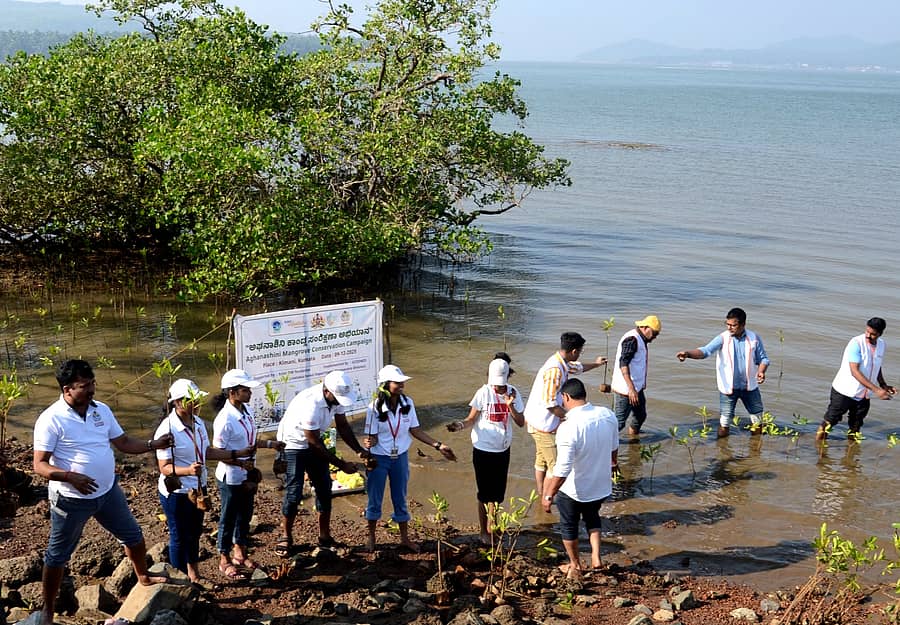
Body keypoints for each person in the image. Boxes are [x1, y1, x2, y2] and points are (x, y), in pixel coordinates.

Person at [32, 359, 173, 625]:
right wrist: (69, 476)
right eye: (84, 386)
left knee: (133, 536)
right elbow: (39, 464)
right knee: (57, 555)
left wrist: (153, 444)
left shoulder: (102, 411)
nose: (91, 390)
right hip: (71, 499)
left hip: (108, 492)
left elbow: (123, 442)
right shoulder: (50, 419)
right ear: (67, 389)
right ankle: (48, 609)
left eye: (92, 383)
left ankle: (142, 576)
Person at [154, 378, 254, 587]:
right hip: (178, 491)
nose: (196, 405)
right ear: (177, 402)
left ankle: (194, 575)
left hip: (198, 487)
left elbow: (207, 451)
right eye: (191, 401)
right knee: (178, 536)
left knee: (194, 533)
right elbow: (164, 467)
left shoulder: (197, 422)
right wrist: (187, 470)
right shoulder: (168, 428)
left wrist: (236, 453)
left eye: (196, 400)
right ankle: (179, 581)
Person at [275, 370, 371, 555]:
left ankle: (324, 536)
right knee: (294, 492)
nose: (340, 402)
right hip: (294, 443)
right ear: (327, 391)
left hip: (314, 441)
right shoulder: (311, 403)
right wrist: (342, 464)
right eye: (337, 398)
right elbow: (313, 442)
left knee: (324, 488)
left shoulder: (335, 399)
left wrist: (359, 451)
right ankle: (286, 536)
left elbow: (342, 425)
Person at [364, 365, 456, 552]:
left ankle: (404, 538)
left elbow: (415, 430)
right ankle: (371, 537)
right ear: (385, 385)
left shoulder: (408, 403)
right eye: (397, 382)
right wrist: (369, 442)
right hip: (379, 458)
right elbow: (371, 437)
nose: (402, 385)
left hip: (400, 458)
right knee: (375, 499)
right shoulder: (374, 408)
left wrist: (438, 446)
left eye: (402, 381)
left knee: (401, 497)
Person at [540, 378, 618, 580]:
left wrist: (548, 494)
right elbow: (614, 447)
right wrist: (613, 465)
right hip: (600, 485)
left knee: (569, 525)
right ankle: (596, 558)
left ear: (565, 397)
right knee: (593, 518)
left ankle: (575, 564)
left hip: (574, 489)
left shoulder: (568, 426)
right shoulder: (607, 415)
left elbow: (563, 468)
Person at [211, 369, 284, 580]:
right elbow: (218, 453)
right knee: (228, 516)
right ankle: (223, 557)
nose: (250, 393)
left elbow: (250, 443)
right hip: (231, 477)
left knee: (246, 514)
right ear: (232, 392)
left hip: (247, 474)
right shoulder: (224, 420)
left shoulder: (246, 411)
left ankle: (240, 552)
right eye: (246, 390)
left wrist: (271, 444)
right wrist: (242, 465)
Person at [447, 358, 525, 545]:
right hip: (483, 449)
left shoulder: (513, 393)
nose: (497, 388)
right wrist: (459, 425)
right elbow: (471, 419)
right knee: (484, 493)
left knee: (497, 495)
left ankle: (494, 528)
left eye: (501, 385)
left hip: (502, 449)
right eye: (495, 385)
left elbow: (521, 422)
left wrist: (510, 405)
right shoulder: (483, 392)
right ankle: (484, 531)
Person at [524, 332, 606, 498]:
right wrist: (570, 417)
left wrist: (597, 364)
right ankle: (547, 499)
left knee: (541, 460)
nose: (579, 355)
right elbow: (550, 404)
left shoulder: (561, 361)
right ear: (574, 351)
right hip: (542, 424)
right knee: (555, 467)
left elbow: (578, 367)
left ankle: (541, 493)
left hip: (535, 420)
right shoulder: (555, 370)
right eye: (580, 352)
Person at [676, 308, 769, 437]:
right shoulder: (723, 338)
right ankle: (722, 449)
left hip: (750, 387)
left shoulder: (754, 338)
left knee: (758, 420)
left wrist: (761, 371)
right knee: (725, 422)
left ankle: (755, 450)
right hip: (728, 388)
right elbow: (705, 351)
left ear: (743, 325)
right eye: (727, 324)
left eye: (733, 325)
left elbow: (763, 358)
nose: (729, 328)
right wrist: (688, 354)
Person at [816, 317, 896, 440]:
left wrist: (883, 385)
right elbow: (854, 371)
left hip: (864, 395)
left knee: (856, 426)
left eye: (873, 334)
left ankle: (850, 456)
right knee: (829, 422)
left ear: (880, 334)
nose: (868, 336)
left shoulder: (881, 345)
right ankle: (819, 452)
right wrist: (877, 391)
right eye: (867, 332)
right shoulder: (856, 343)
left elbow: (877, 365)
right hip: (845, 391)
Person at [611, 315, 662, 439]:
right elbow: (623, 363)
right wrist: (631, 389)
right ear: (645, 328)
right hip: (626, 390)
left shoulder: (641, 339)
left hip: (636, 388)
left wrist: (635, 389)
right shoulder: (632, 340)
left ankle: (633, 438)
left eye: (657, 334)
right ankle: (603, 445)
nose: (655, 337)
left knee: (640, 415)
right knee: (618, 422)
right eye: (654, 333)